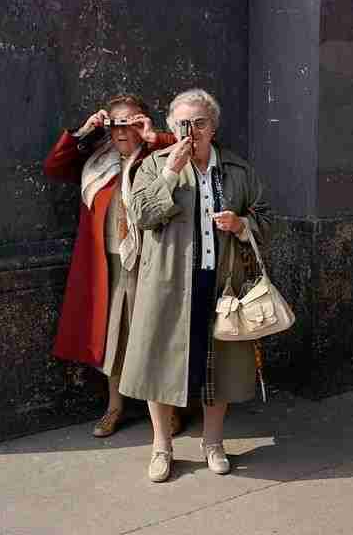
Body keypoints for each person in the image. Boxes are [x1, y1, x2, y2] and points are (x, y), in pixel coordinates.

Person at [120, 88, 272, 482]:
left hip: (221, 282)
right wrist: (171, 171)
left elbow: (267, 218)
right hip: (167, 283)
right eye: (184, 123)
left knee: (217, 366)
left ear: (213, 126)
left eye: (200, 122)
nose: (192, 130)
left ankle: (213, 443)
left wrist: (242, 226)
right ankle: (161, 447)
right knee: (159, 364)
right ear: (172, 127)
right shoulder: (154, 165)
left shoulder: (237, 169)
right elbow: (140, 215)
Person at [43, 94, 182, 437]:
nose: (123, 130)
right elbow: (54, 167)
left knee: (155, 336)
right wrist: (86, 131)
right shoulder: (98, 161)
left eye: (132, 122)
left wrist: (155, 137)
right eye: (116, 123)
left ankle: (169, 412)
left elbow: (193, 154)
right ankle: (114, 407)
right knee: (113, 338)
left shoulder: (160, 156)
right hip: (108, 266)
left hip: (150, 264)